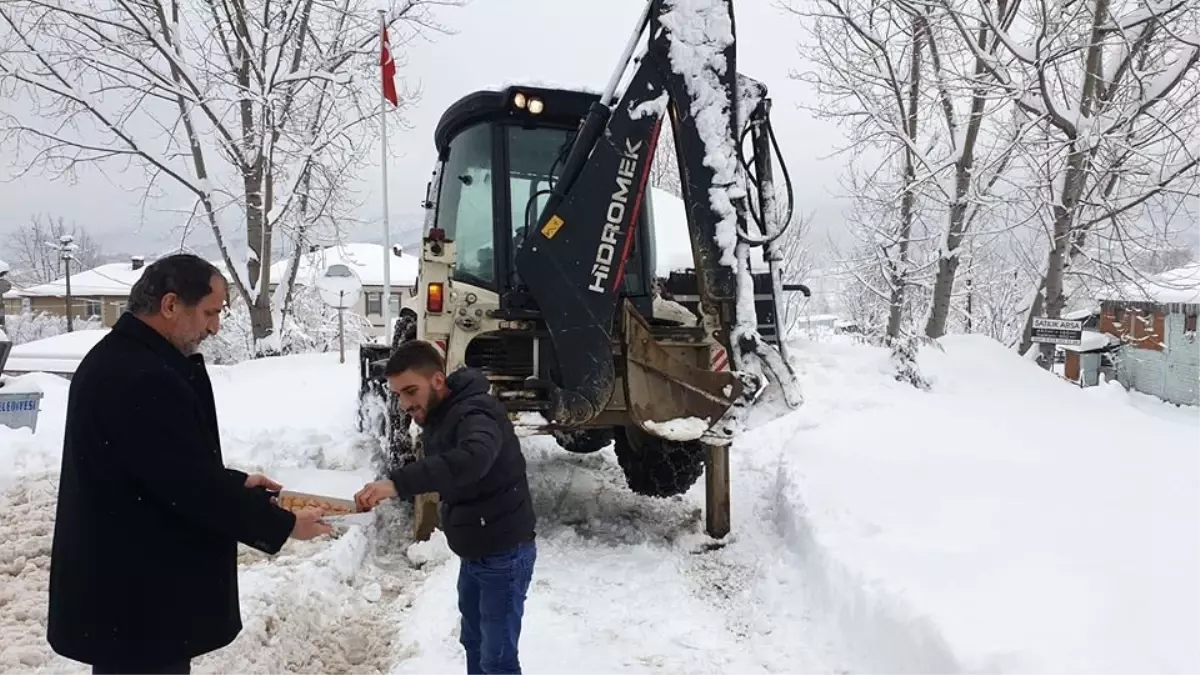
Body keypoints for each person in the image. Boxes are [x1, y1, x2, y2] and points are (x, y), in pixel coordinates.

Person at [46, 253, 331, 675]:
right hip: (139, 599)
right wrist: (284, 525)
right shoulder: (143, 377)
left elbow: (162, 470)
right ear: (170, 305)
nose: (215, 327)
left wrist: (237, 483)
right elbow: (189, 487)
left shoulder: (122, 359)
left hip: (128, 595)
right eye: (211, 312)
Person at [355, 340, 536, 675]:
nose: (404, 404)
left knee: (498, 659)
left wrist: (397, 484)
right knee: (474, 642)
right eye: (398, 394)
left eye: (411, 391)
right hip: (475, 550)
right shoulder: (443, 412)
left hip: (504, 555)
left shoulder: (475, 413)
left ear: (438, 380)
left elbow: (473, 459)